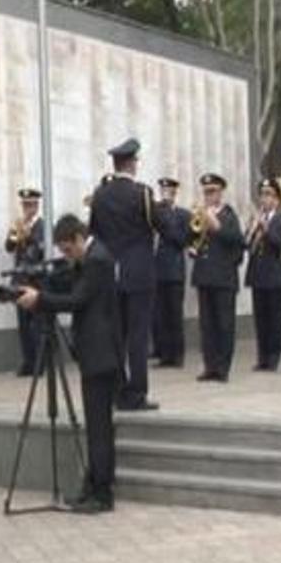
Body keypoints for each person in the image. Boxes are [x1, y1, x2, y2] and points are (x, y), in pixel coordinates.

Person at [15, 214, 123, 514]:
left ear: (78, 238)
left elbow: (78, 299)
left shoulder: (97, 259)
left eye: (67, 249)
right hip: (96, 353)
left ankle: (102, 494)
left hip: (101, 354)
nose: (66, 255)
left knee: (99, 427)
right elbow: (72, 285)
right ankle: (94, 486)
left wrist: (39, 300)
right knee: (96, 426)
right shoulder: (90, 258)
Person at [88, 138, 159, 411]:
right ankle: (137, 393)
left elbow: (94, 232)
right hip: (139, 274)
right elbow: (159, 223)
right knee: (138, 338)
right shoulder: (142, 193)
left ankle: (118, 390)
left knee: (116, 336)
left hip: (111, 275)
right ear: (132, 164)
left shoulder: (100, 195)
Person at [188, 173, 244, 382]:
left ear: (221, 193)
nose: (209, 196)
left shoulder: (229, 215)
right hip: (204, 275)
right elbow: (191, 238)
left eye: (212, 192)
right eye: (206, 192)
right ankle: (209, 365)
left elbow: (237, 241)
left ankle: (222, 368)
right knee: (207, 324)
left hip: (223, 277)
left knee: (224, 324)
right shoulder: (200, 215)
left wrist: (215, 225)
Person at [244, 178, 281, 372]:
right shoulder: (257, 219)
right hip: (258, 275)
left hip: (275, 276)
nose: (265, 199)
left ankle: (273, 357)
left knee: (274, 318)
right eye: (263, 195)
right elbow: (247, 244)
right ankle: (262, 357)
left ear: (277, 200)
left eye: (270, 195)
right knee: (261, 318)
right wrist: (252, 229)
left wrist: (265, 228)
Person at [4, 188, 45, 376]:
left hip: (35, 279)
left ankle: (39, 363)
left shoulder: (41, 226)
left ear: (36, 206)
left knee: (36, 324)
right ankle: (28, 361)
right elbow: (9, 247)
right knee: (23, 324)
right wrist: (15, 234)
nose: (27, 208)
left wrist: (27, 235)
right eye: (24, 205)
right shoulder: (19, 224)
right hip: (20, 278)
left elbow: (39, 250)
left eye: (30, 205)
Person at [152, 177, 190, 368]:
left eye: (168, 191)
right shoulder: (155, 213)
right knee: (159, 315)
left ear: (174, 193)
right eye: (162, 190)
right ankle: (164, 353)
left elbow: (181, 240)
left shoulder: (182, 215)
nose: (164, 194)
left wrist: (164, 215)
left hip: (173, 270)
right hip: (155, 270)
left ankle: (177, 354)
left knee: (174, 314)